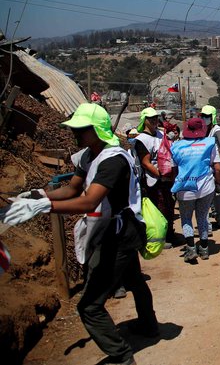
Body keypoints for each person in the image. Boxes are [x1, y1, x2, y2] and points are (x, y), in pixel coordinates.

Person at [1, 103, 157, 365]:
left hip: (121, 234)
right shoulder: (88, 155)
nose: (76, 135)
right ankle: (149, 325)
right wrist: (41, 195)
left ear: (96, 130)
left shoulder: (113, 160)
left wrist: (44, 206)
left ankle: (121, 356)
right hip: (117, 230)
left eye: (81, 130)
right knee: (134, 280)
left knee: (89, 306)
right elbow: (73, 189)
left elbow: (87, 202)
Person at [170, 118, 220, 262]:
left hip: (184, 188)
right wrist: (217, 183)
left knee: (186, 218)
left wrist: (175, 187)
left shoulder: (176, 146)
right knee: (202, 216)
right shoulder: (210, 143)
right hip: (206, 188)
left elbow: (174, 171)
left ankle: (191, 248)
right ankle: (204, 249)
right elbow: (217, 168)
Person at [134, 107, 177, 248]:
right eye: (150, 118)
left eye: (155, 118)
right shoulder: (142, 140)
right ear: (144, 120)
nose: (153, 121)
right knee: (159, 208)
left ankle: (170, 233)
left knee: (169, 206)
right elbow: (146, 162)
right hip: (153, 180)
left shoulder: (160, 134)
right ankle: (161, 238)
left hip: (167, 178)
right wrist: (160, 175)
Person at [200, 105, 220, 234]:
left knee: (219, 193)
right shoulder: (205, 130)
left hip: (218, 165)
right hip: (208, 165)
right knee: (208, 194)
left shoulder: (217, 132)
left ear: (212, 117)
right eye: (203, 116)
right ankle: (209, 223)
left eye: (207, 116)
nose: (204, 118)